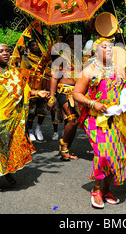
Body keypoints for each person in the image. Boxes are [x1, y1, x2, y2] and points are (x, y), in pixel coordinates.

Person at [0, 42, 48, 192]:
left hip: (13, 119)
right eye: (1, 51)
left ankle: (7, 171)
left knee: (10, 148)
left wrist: (37, 92)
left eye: (7, 51)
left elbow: (21, 91)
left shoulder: (14, 71)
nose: (5, 53)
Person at [74, 38, 126, 209]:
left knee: (118, 155)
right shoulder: (89, 71)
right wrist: (93, 104)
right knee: (103, 154)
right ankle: (96, 190)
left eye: (111, 47)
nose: (109, 49)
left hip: (116, 119)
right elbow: (77, 94)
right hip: (95, 119)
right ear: (95, 52)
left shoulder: (120, 70)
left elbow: (125, 89)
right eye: (104, 47)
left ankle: (107, 190)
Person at [48, 33, 80, 161]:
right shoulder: (60, 58)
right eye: (72, 39)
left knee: (72, 122)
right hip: (64, 92)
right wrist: (51, 97)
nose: (75, 42)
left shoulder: (78, 57)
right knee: (73, 119)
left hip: (76, 92)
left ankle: (67, 149)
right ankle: (64, 146)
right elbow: (54, 78)